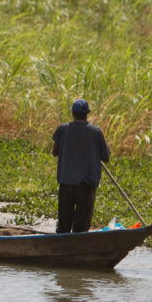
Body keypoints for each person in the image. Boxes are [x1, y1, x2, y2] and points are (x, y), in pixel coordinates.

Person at [52, 99, 110, 233]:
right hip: (85, 184)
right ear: (87, 114)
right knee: (81, 226)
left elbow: (55, 152)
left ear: (73, 113)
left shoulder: (63, 129)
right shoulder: (96, 132)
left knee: (64, 223)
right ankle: (77, 249)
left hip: (66, 183)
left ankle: (62, 248)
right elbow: (106, 157)